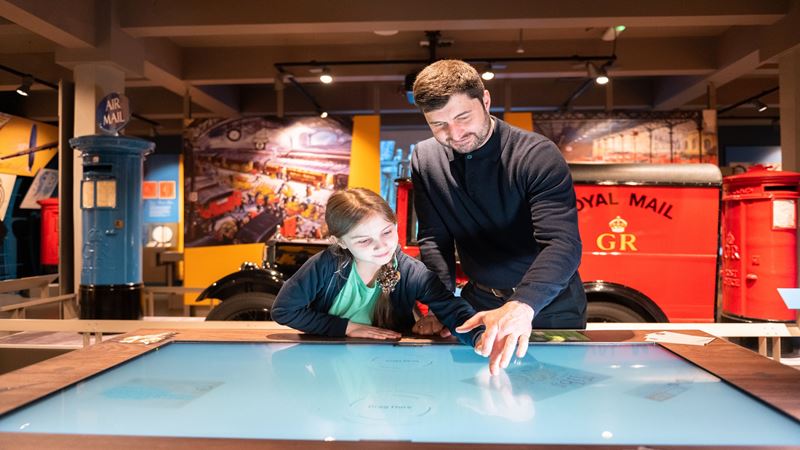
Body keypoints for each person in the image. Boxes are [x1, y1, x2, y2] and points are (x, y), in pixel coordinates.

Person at [410, 59, 587, 374]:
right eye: (439, 124)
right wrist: (442, 305)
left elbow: (562, 243)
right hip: (478, 304)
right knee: (478, 403)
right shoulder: (425, 159)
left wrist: (522, 305)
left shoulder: (535, 155)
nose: (455, 133)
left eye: (463, 116)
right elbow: (434, 239)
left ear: (486, 101)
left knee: (552, 405)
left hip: (547, 305)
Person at [271, 187, 482, 347]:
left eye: (387, 232)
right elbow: (284, 310)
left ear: (396, 225)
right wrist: (348, 328)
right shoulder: (325, 266)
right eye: (364, 240)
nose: (381, 246)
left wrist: (479, 336)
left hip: (386, 360)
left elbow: (452, 309)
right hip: (330, 356)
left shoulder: (410, 272)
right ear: (341, 242)